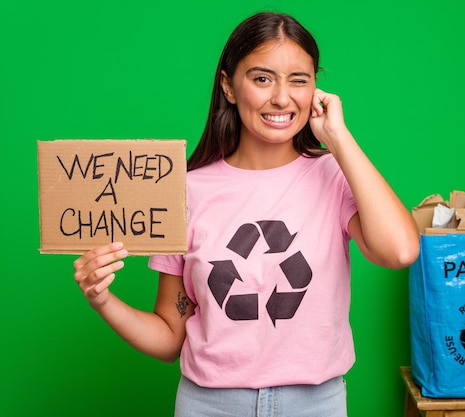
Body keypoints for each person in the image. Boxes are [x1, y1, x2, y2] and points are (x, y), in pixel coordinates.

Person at [73, 11, 420, 417]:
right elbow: (169, 337)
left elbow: (398, 252)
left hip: (315, 404)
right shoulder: (186, 192)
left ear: (316, 89)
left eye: (299, 80)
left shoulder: (334, 176)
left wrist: (338, 139)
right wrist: (102, 299)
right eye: (262, 78)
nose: (281, 98)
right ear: (229, 86)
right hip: (210, 405)